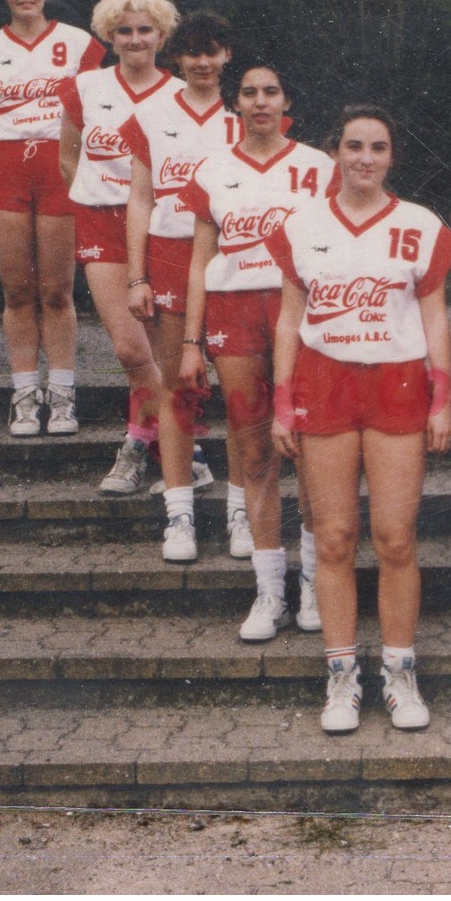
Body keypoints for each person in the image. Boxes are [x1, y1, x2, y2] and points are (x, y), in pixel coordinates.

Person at [266, 106, 451, 734]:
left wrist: (442, 398)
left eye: (378, 147)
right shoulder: (303, 224)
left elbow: (434, 318)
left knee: (396, 539)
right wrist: (281, 402)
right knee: (333, 539)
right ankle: (342, 675)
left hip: (397, 382)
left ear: (392, 156)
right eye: (354, 146)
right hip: (324, 382)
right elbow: (289, 320)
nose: (365, 158)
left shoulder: (419, 224)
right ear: (337, 152)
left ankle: (400, 672)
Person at [176, 64, 337, 627]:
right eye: (250, 92)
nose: (261, 101)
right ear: (236, 102)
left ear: (286, 98)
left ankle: (316, 585)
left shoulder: (320, 168)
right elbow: (199, 262)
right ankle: (270, 591)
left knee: (314, 451)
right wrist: (191, 341)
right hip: (235, 315)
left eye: (272, 90)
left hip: (303, 314)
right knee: (253, 450)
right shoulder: (213, 170)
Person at [123, 14, 274, 574]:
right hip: (167, 253)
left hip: (234, 261)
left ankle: (240, 509)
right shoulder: (153, 114)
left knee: (241, 395)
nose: (203, 63)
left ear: (227, 55)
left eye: (213, 52)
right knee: (176, 388)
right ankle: (179, 512)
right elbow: (139, 198)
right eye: (193, 54)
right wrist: (135, 275)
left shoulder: (247, 118)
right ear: (177, 59)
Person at [0, 0, 104, 436]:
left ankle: (61, 394)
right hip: (6, 167)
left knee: (57, 291)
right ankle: (24, 394)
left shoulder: (78, 43)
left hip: (58, 164)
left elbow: (92, 111)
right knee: (17, 290)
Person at [57, 0, 180, 494]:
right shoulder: (85, 86)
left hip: (159, 228)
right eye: (123, 30)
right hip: (101, 222)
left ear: (161, 35)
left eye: (144, 29)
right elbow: (67, 154)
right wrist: (92, 191)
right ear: (109, 35)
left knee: (162, 352)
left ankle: (142, 444)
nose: (134, 39)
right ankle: (178, 443)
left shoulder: (179, 94)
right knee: (132, 351)